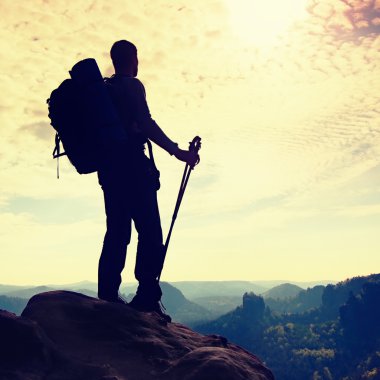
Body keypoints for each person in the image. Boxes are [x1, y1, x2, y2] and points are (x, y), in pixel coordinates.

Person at [97, 40, 198, 319]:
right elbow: (146, 123)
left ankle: (106, 294)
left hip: (109, 171)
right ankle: (145, 296)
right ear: (133, 59)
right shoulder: (131, 86)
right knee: (151, 232)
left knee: (117, 232)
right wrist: (176, 150)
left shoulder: (105, 91)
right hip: (132, 167)